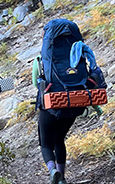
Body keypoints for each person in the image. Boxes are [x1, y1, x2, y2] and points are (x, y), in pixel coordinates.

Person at [33, 19, 88, 184]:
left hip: (51, 103)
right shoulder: (78, 53)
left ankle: (52, 171)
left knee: (45, 143)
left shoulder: (41, 59)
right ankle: (62, 178)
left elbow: (36, 82)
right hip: (75, 101)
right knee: (59, 140)